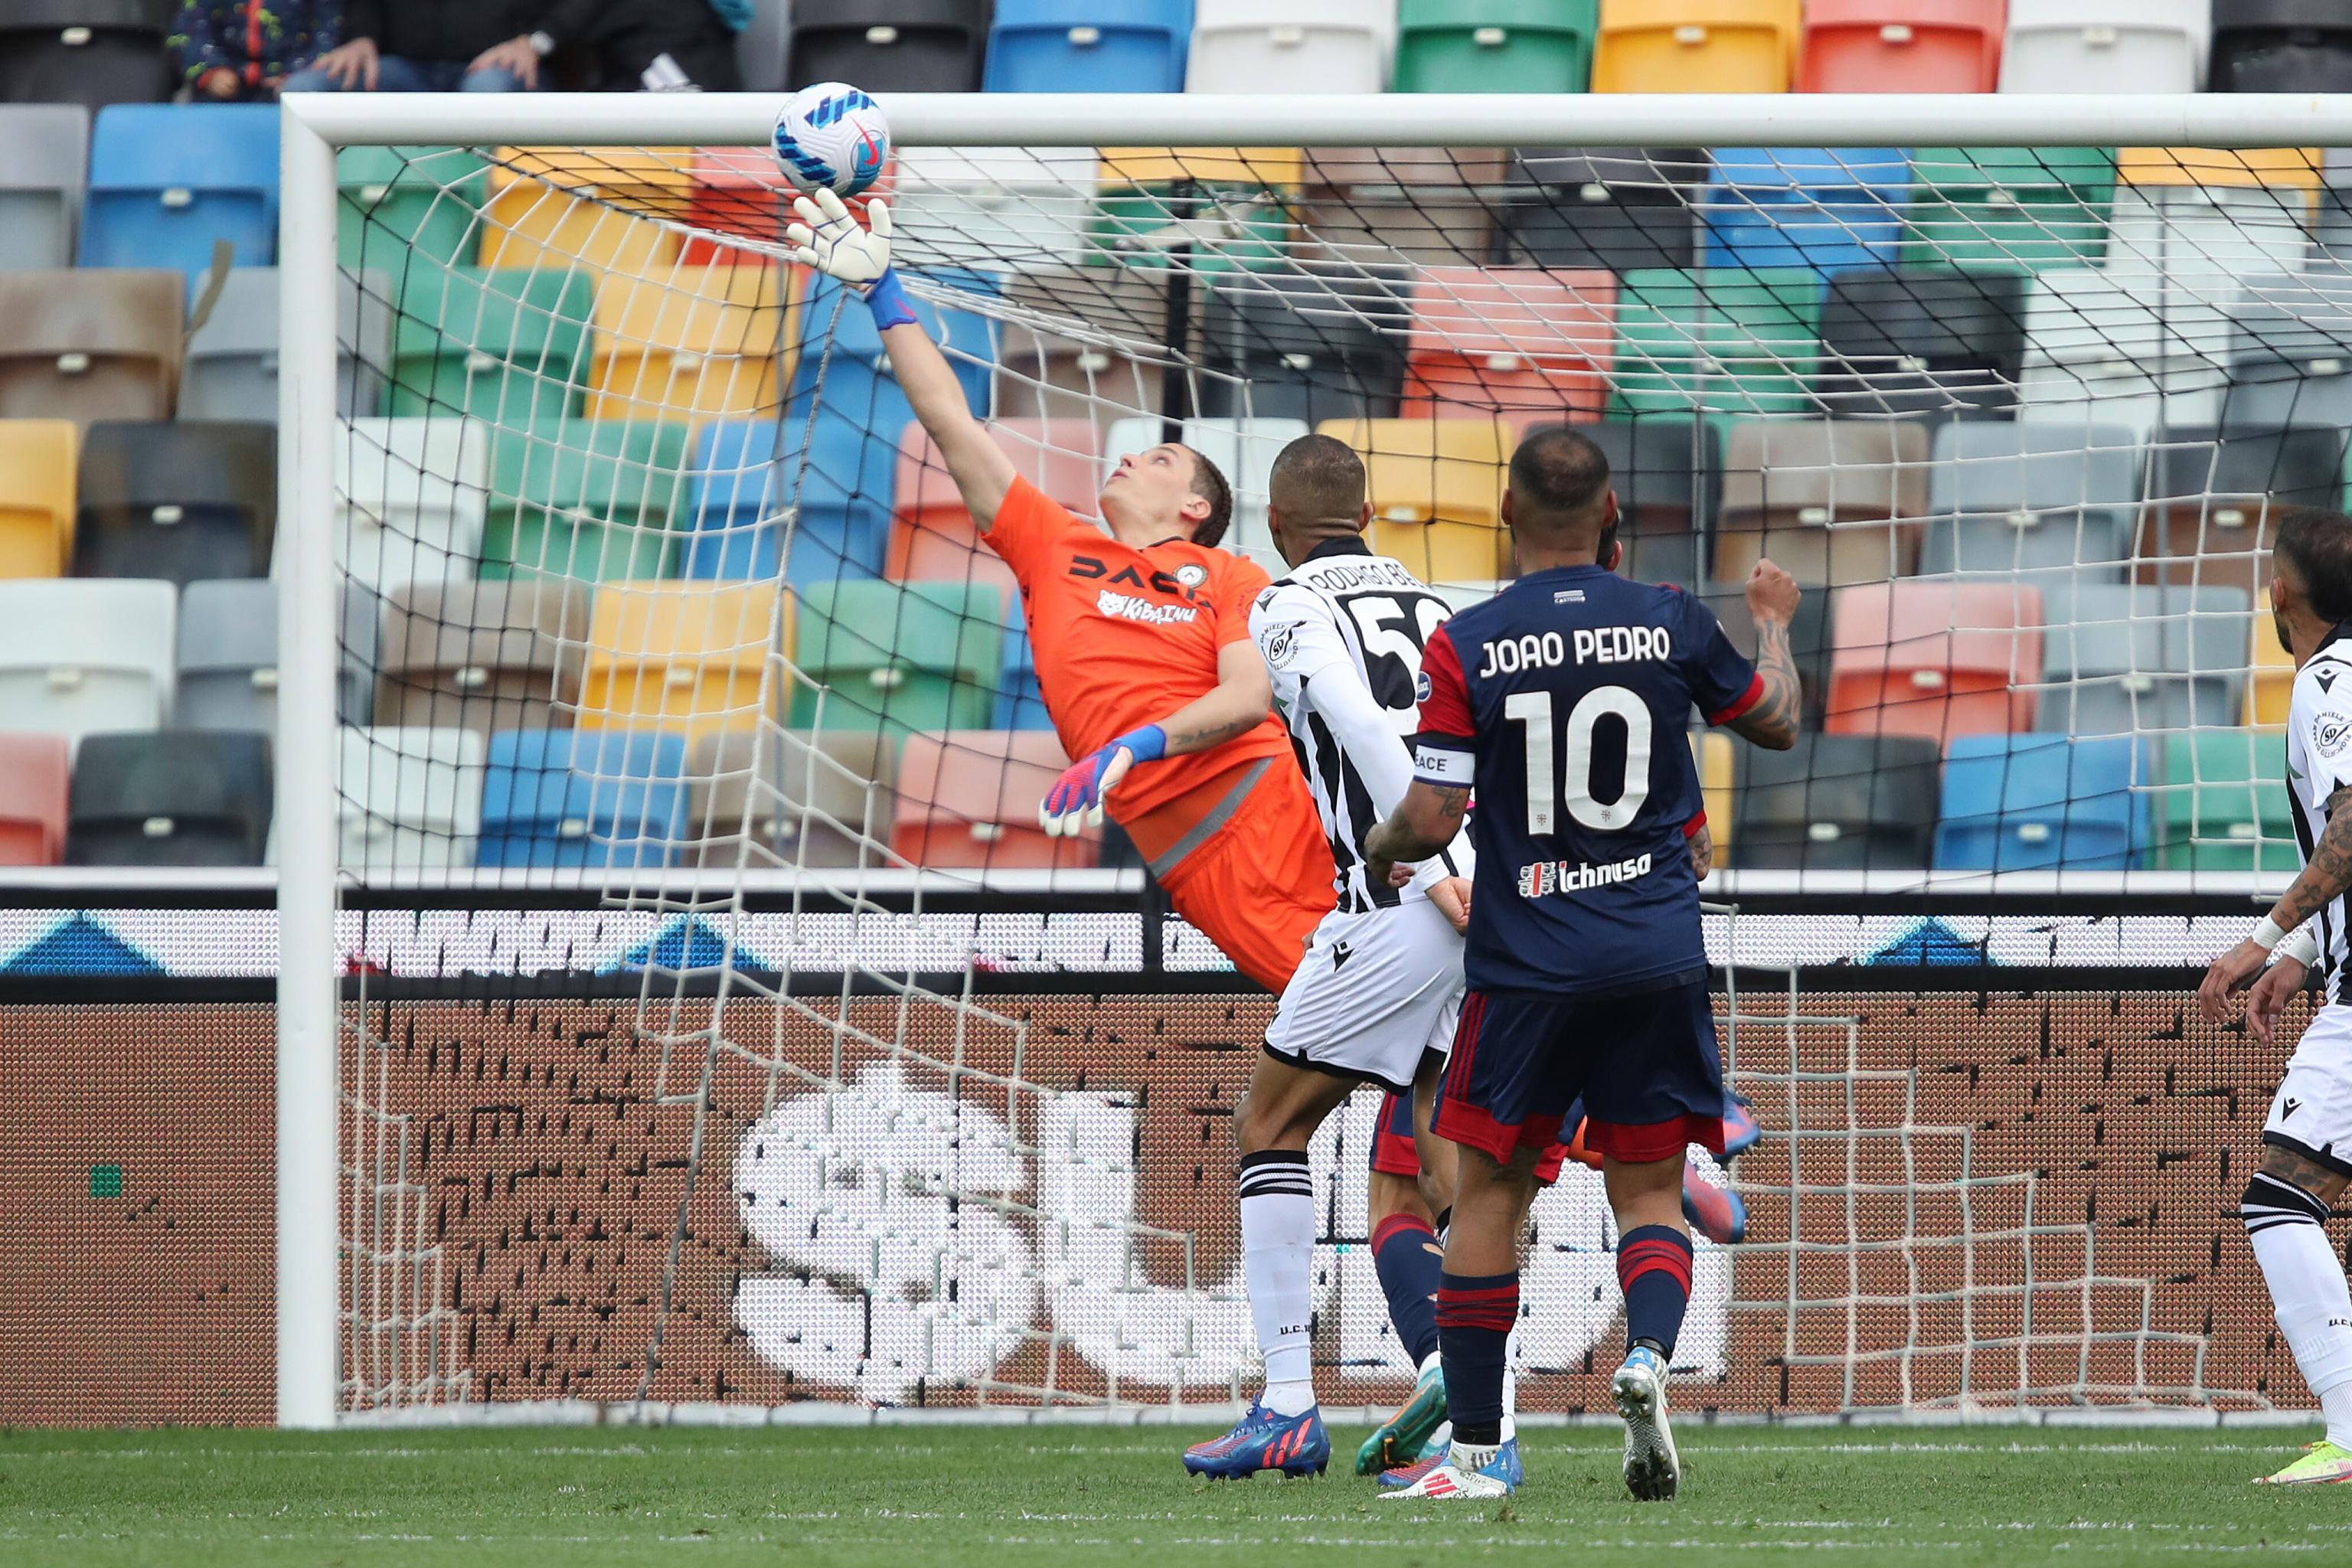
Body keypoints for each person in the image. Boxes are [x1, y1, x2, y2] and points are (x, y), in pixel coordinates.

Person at [1364, 426, 1802, 1502]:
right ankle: (1647, 1360)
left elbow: (1431, 816)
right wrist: (1775, 629)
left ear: (1506, 517)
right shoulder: (1669, 618)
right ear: (1614, 519)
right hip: (1655, 952)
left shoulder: (1469, 643)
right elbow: (1779, 723)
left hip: (1528, 969)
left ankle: (1477, 1457)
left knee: (1489, 1196)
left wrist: (1378, 852)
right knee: (1649, 1187)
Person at [779, 187, 1335, 996]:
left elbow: (1250, 696)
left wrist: (1129, 746)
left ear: (1197, 508)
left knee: (1427, 1039)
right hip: (1197, 861)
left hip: (1271, 811)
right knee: (1387, 1049)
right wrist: (881, 292)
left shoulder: (1229, 573)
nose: (1133, 457)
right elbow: (952, 423)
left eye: (1161, 460)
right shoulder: (1056, 543)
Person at [1177, 433, 1478, 1481]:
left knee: (1269, 1126)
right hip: (1479, 906)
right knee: (1443, 1163)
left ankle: (1290, 1407)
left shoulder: (1284, 603)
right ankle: (1472, 1408)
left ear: (1273, 523)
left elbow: (1358, 726)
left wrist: (1437, 856)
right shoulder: (1436, 606)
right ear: (1369, 512)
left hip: (1401, 899)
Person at [2197, 505, 2352, 1488]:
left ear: (2281, 591)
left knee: (2281, 1193)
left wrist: (2257, 939)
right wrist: (2302, 950)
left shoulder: (2329, 681)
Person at [283, 0, 599, 93]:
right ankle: (295, 231)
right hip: (404, 68)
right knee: (304, 89)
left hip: (501, 71)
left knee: (485, 91)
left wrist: (536, 41)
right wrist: (361, 37)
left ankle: (479, 233)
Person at [172, 0, 340, 100]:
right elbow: (189, 31)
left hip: (288, 90)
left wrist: (297, 74)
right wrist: (211, 72)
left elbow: (329, 31)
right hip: (224, 88)